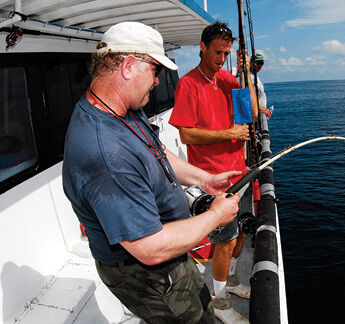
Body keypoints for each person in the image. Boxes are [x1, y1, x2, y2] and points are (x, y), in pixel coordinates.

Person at [62, 21, 242, 323]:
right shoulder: (106, 156)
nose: (158, 81)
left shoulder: (122, 107)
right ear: (130, 66)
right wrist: (214, 217)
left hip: (170, 251)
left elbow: (157, 151)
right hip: (146, 273)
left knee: (200, 303)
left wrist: (205, 179)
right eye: (156, 70)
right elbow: (151, 249)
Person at [168, 21, 258, 324]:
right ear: (203, 48)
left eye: (226, 53)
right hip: (212, 179)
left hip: (239, 173)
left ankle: (231, 281)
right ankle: (219, 302)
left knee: (240, 233)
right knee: (224, 241)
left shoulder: (229, 80)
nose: (221, 58)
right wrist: (226, 132)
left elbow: (252, 115)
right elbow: (187, 136)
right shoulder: (188, 84)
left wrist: (246, 75)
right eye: (217, 52)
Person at [251, 52, 272, 118]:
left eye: (262, 63)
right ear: (251, 63)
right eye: (258, 63)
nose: (260, 65)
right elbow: (251, 95)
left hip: (261, 112)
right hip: (258, 112)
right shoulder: (250, 77)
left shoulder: (255, 75)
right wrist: (261, 109)